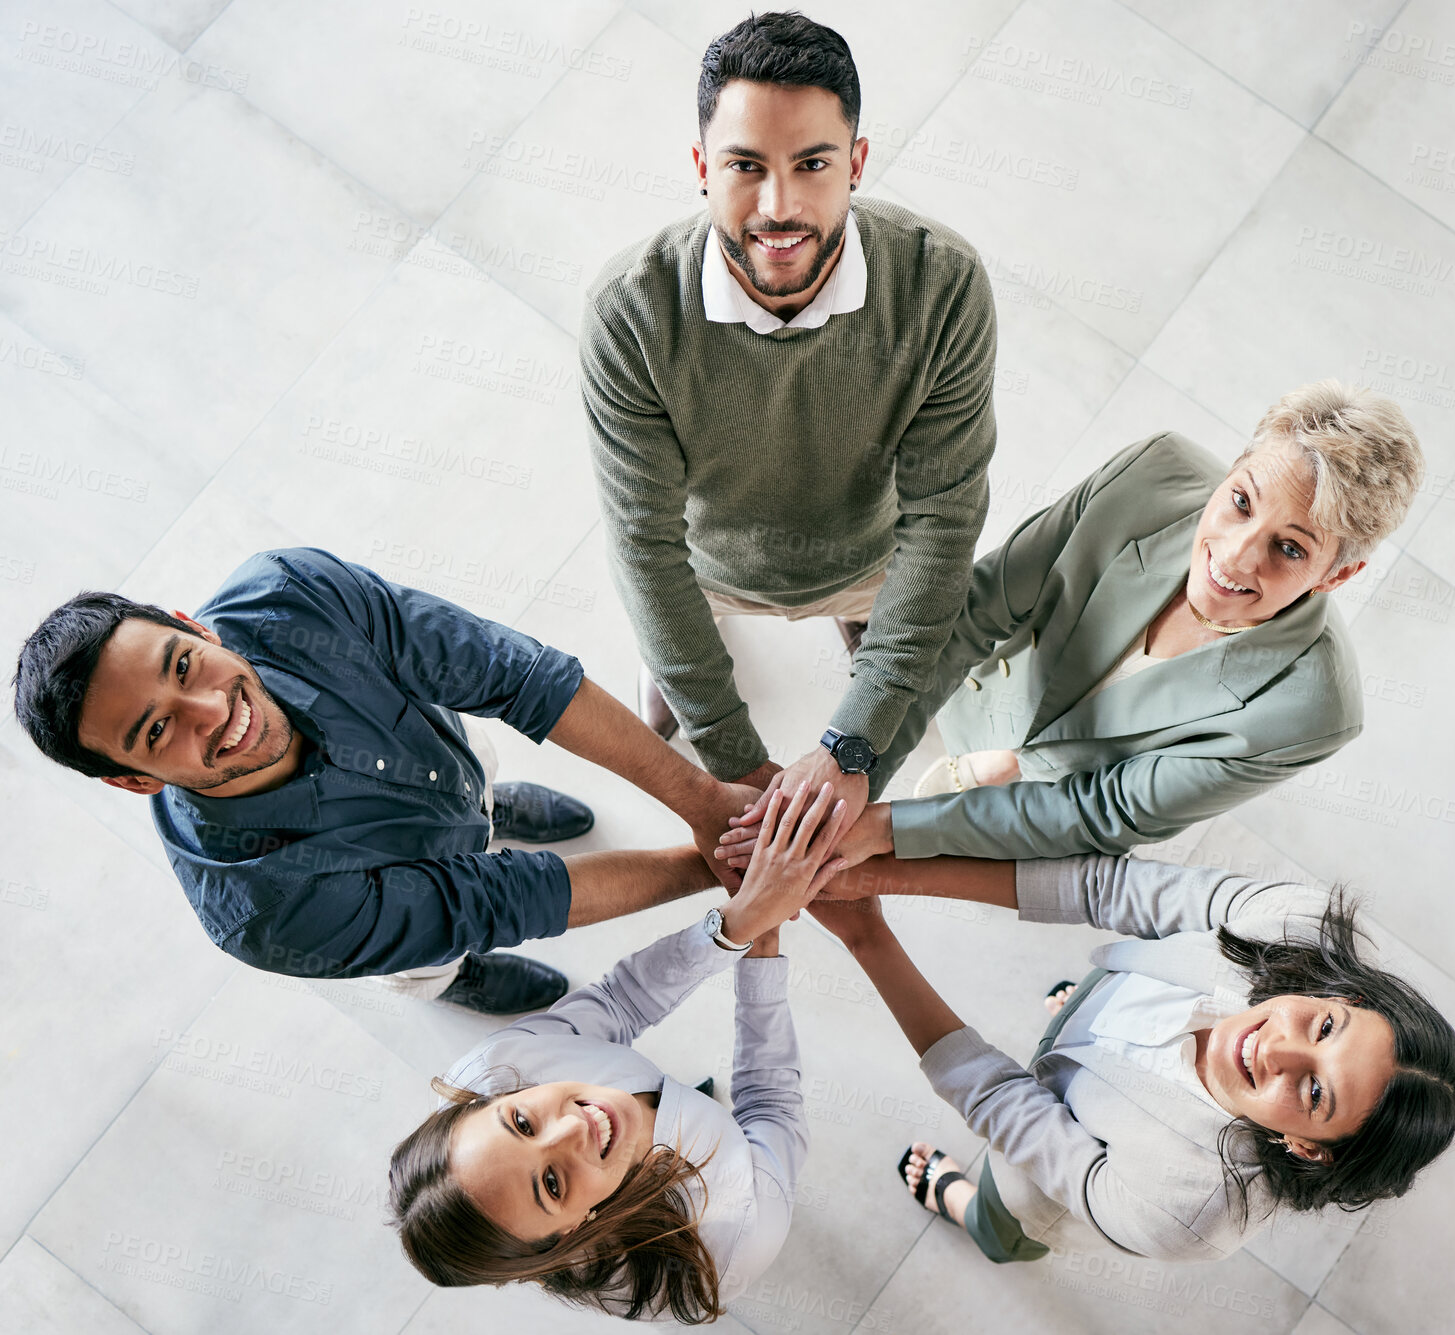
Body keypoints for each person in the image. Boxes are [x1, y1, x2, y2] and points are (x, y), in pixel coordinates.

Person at [12, 547, 761, 1013]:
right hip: (383, 914)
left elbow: (517, 679)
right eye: (156, 731)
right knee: (430, 958)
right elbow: (505, 897)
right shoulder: (270, 911)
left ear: (193, 625)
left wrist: (705, 803)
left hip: (448, 760)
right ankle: (458, 980)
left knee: (480, 789)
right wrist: (720, 864)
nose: (212, 709)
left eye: (183, 664)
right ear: (135, 782)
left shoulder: (290, 594)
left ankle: (489, 811)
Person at [582, 11, 997, 851]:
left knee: (881, 624)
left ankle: (858, 632)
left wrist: (855, 737)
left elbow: (943, 522)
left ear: (856, 165)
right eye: (745, 166)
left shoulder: (941, 285)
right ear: (702, 168)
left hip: (869, 556)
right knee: (673, 624)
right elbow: (643, 544)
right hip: (707, 565)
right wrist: (728, 748)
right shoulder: (629, 310)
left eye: (812, 164)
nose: (779, 207)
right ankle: (683, 675)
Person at [722, 380, 1424, 871]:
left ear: (1336, 576)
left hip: (1050, 801)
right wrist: (857, 761)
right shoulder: (1149, 474)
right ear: (1231, 469)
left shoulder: (1311, 714)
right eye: (1239, 501)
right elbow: (978, 610)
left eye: (1291, 547)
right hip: (982, 697)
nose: (1235, 555)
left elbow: (1099, 812)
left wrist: (884, 830)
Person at [809, 851, 1455, 1264]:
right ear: (1345, 994)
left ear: (1306, 1147)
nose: (1275, 1046)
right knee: (1086, 1014)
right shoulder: (1305, 928)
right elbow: (1111, 885)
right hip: (1102, 1011)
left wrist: (868, 934)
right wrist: (884, 871)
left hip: (1039, 1191)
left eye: (1314, 1093)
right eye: (1325, 1024)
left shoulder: (1182, 1213)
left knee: (1003, 1213)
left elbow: (994, 1095)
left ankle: (965, 1211)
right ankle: (1088, 1028)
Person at [389, 780, 849, 1322]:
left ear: (487, 1100)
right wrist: (764, 949)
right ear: (571, 1233)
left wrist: (740, 922)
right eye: (552, 1184)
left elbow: (622, 1001)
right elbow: (770, 1104)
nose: (574, 1128)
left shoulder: (496, 1067)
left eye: (521, 1122)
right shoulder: (736, 1233)